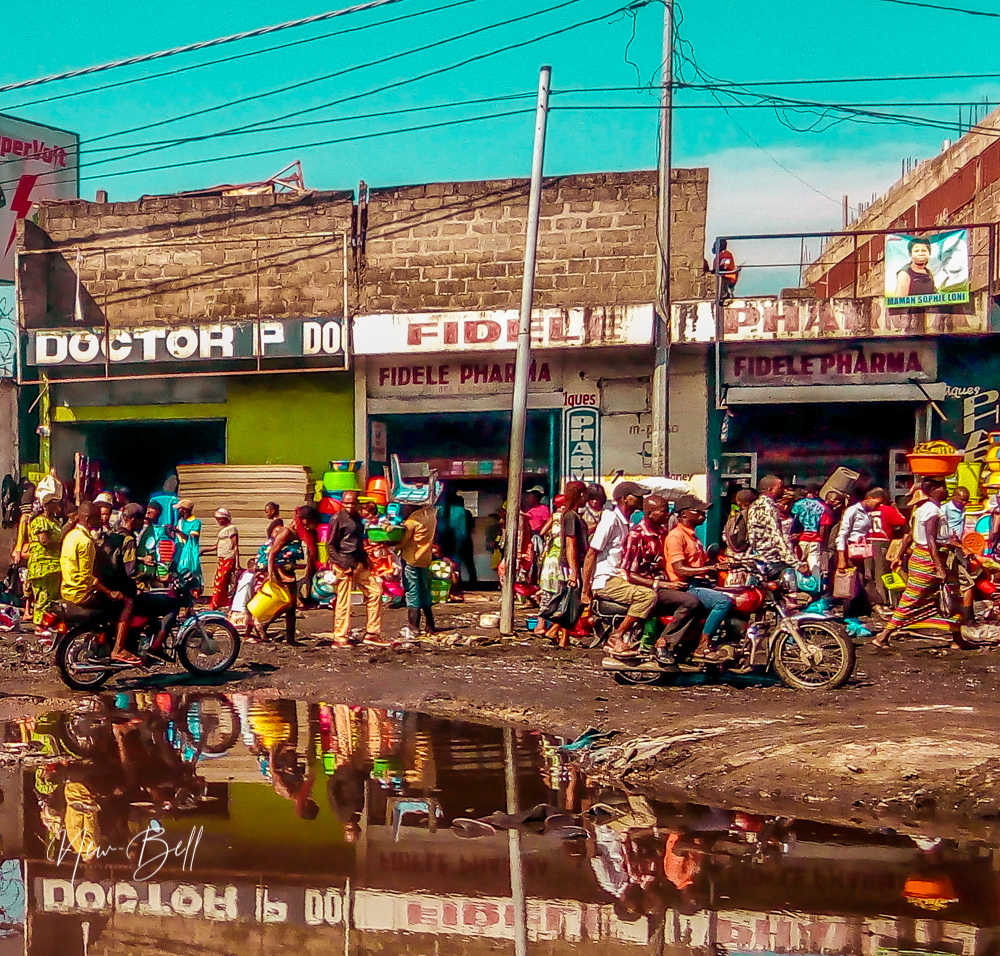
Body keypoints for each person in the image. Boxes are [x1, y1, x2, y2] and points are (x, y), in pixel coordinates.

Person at [874, 477, 964, 649]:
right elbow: (930, 540)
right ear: (934, 490)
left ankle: (956, 638)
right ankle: (883, 635)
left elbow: (909, 535)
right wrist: (939, 567)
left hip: (930, 557)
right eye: (943, 488)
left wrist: (899, 556)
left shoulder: (922, 509)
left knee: (951, 596)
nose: (946, 491)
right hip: (928, 561)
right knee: (913, 599)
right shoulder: (931, 511)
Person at [619, 494, 702, 667]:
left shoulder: (663, 533)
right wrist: (663, 584)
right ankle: (664, 643)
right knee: (692, 602)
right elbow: (630, 574)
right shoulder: (636, 536)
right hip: (649, 587)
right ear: (649, 514)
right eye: (664, 511)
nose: (668, 514)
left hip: (666, 583)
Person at [582, 481, 652, 656]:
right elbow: (591, 554)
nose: (641, 499)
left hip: (620, 578)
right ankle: (617, 635)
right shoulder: (610, 519)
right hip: (606, 579)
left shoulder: (627, 522)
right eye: (637, 496)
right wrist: (585, 590)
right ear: (624, 499)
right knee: (648, 596)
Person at [60, 502, 133, 664]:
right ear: (87, 518)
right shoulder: (85, 541)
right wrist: (109, 592)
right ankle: (119, 648)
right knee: (127, 602)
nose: (101, 520)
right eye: (97, 517)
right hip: (82, 594)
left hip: (67, 589)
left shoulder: (71, 536)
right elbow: (87, 578)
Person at [665, 495, 733, 663]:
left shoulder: (693, 537)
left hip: (698, 583)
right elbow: (679, 568)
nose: (703, 515)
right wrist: (711, 568)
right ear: (684, 514)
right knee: (723, 601)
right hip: (686, 586)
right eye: (699, 511)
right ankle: (703, 645)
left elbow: (700, 563)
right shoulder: (676, 536)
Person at [328, 491, 383, 647]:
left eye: (351, 504)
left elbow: (358, 542)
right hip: (343, 563)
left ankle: (372, 633)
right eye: (346, 504)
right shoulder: (338, 518)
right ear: (342, 503)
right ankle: (340, 637)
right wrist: (343, 565)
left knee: (375, 591)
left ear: (357, 504)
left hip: (358, 561)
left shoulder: (358, 519)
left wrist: (366, 559)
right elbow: (330, 545)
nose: (349, 507)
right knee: (344, 601)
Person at [538, 482, 589, 649]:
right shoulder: (570, 516)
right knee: (571, 602)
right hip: (569, 565)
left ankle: (560, 636)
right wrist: (574, 571)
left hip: (572, 563)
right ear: (579, 495)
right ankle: (555, 631)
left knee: (571, 602)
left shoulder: (572, 515)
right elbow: (570, 543)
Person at [267, 505, 321, 646]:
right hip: (280, 573)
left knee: (291, 607)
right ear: (303, 521)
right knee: (287, 605)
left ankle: (290, 639)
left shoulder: (299, 534)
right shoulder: (286, 532)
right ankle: (262, 624)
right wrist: (271, 575)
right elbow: (272, 553)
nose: (311, 527)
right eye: (311, 524)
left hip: (289, 573)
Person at [836, 490, 883, 618]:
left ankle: (862, 609)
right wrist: (841, 557)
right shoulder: (852, 511)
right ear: (868, 498)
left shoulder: (868, 513)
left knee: (860, 579)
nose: (877, 506)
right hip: (849, 550)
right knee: (850, 581)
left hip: (860, 551)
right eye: (876, 502)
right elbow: (842, 534)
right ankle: (851, 611)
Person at [400, 501, 439, 638]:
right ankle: (430, 624)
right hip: (425, 558)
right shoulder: (430, 515)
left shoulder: (413, 521)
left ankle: (414, 627)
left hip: (412, 558)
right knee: (424, 591)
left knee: (412, 592)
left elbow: (402, 540)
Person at [747, 476, 802, 569]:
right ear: (771, 490)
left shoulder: (755, 505)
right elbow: (775, 535)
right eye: (780, 487)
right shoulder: (768, 507)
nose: (783, 490)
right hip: (770, 560)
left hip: (757, 558)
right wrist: (795, 563)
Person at [26, 493, 63, 625]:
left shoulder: (56, 522)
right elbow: (45, 541)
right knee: (43, 596)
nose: (58, 505)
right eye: (55, 503)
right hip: (42, 565)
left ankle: (47, 623)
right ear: (46, 506)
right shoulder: (40, 521)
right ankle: (39, 624)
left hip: (54, 565)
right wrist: (61, 545)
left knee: (52, 597)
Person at [868, 488, 907, 607]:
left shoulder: (865, 510)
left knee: (868, 574)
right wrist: (895, 508)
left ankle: (871, 600)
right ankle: (882, 600)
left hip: (866, 543)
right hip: (881, 543)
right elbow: (901, 521)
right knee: (882, 574)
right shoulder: (887, 510)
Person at [437, 488, 476, 597]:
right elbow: (464, 529)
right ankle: (465, 585)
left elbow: (439, 527)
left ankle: (449, 587)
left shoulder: (441, 510)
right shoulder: (462, 512)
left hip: (444, 540)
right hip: (459, 540)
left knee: (446, 565)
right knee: (465, 564)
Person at [790, 484, 829, 579]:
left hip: (801, 538)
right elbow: (824, 526)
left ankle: (798, 585)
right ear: (816, 493)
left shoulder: (797, 504)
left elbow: (793, 521)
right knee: (814, 565)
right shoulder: (823, 506)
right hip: (816, 539)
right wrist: (823, 541)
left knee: (798, 564)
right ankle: (813, 586)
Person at [208, 508, 240, 610]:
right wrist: (204, 551)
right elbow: (216, 545)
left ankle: (216, 604)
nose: (218, 521)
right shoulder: (223, 530)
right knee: (219, 581)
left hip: (228, 558)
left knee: (221, 581)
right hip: (222, 558)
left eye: (219, 519)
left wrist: (237, 563)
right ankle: (220, 602)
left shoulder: (232, 529)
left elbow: (235, 546)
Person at [169, 499, 202, 587]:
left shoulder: (195, 523)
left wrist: (176, 530)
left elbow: (190, 539)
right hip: (177, 553)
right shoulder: (180, 521)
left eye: (179, 509)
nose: (177, 510)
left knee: (187, 579)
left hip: (187, 555)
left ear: (185, 510)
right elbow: (176, 537)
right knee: (174, 576)